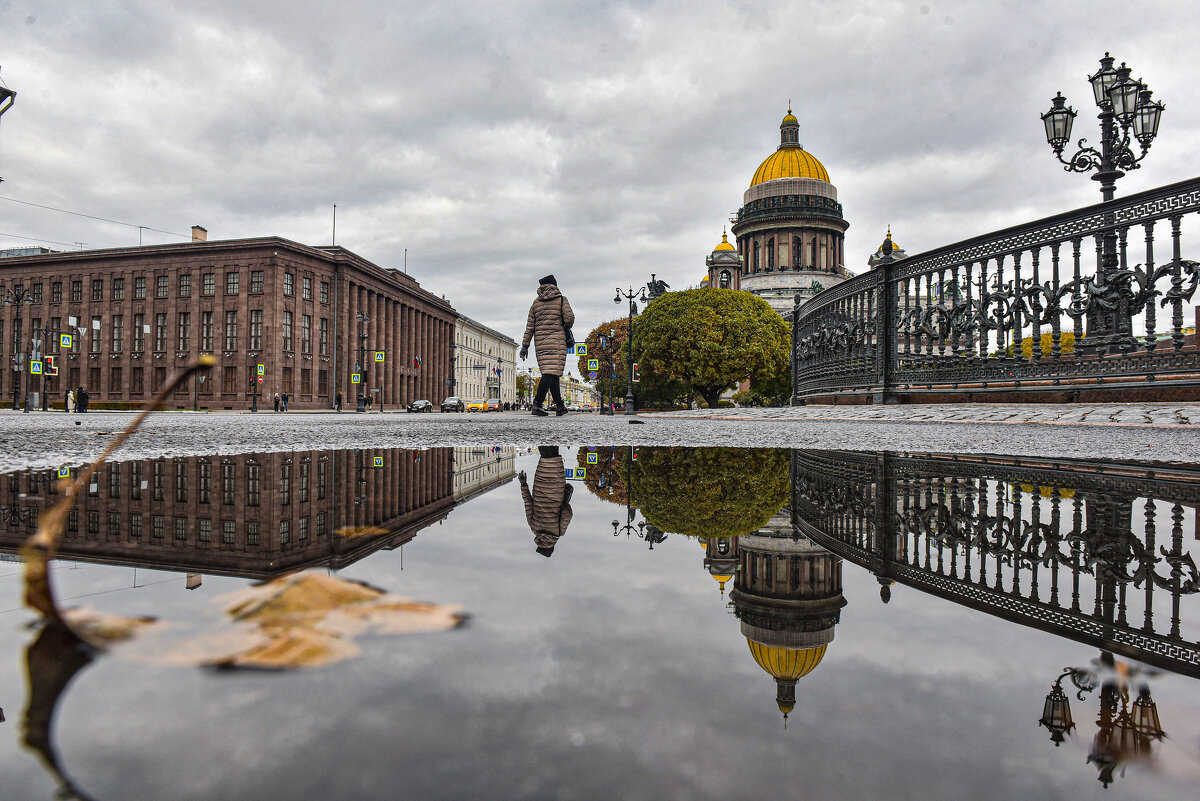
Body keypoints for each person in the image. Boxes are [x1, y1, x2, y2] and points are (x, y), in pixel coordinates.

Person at [520, 275, 574, 416]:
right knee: (549, 373)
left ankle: (560, 407)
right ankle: (537, 404)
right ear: (554, 285)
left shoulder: (535, 303)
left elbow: (529, 327)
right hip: (557, 342)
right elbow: (569, 320)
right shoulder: (561, 300)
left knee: (553, 374)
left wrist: (525, 345)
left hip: (541, 343)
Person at [519, 446, 573, 557]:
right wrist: (523, 484)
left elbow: (567, 513)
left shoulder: (559, 532)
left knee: (554, 457)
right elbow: (528, 502)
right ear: (539, 545)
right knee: (545, 458)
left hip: (556, 489)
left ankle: (551, 435)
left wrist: (564, 504)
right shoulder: (534, 528)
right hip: (540, 486)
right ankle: (546, 435)